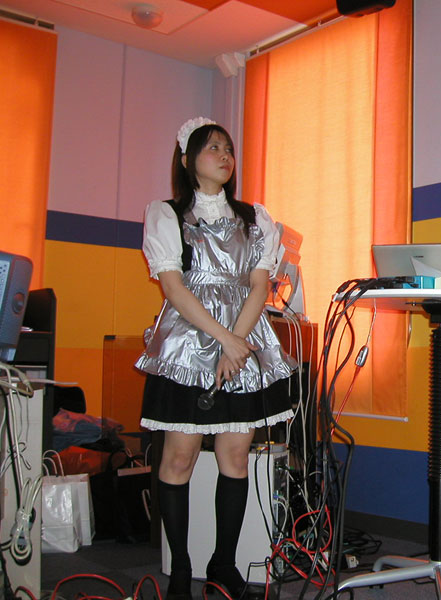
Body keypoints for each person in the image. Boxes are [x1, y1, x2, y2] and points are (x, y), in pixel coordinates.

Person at [136, 117, 296, 600]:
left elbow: (260, 286)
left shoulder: (255, 218)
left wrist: (237, 343)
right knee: (179, 457)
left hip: (243, 342)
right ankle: (180, 571)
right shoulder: (166, 214)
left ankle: (222, 565)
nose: (225, 156)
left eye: (228, 148)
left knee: (235, 456)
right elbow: (173, 288)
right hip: (189, 344)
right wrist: (224, 340)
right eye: (213, 148)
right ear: (187, 160)